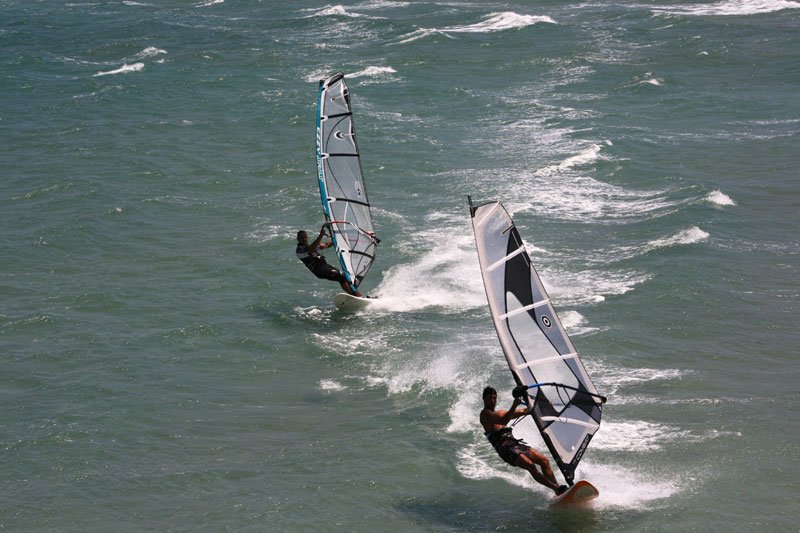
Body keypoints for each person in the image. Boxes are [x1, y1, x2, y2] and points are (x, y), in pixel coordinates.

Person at [480, 386, 567, 496]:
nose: (492, 401)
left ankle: (558, 491)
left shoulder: (501, 412)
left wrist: (542, 403)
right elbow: (503, 420)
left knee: (544, 461)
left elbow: (526, 410)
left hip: (515, 444)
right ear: (483, 399)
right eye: (489, 398)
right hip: (505, 449)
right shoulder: (484, 414)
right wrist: (514, 404)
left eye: (494, 397)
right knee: (531, 466)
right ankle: (557, 488)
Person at [296, 225, 362, 297]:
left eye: (305, 237)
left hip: (325, 266)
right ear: (298, 239)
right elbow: (311, 249)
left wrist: (336, 240)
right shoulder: (300, 250)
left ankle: (358, 295)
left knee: (345, 276)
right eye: (302, 237)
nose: (304, 239)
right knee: (341, 276)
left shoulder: (309, 246)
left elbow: (325, 245)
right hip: (319, 270)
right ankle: (355, 295)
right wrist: (321, 235)